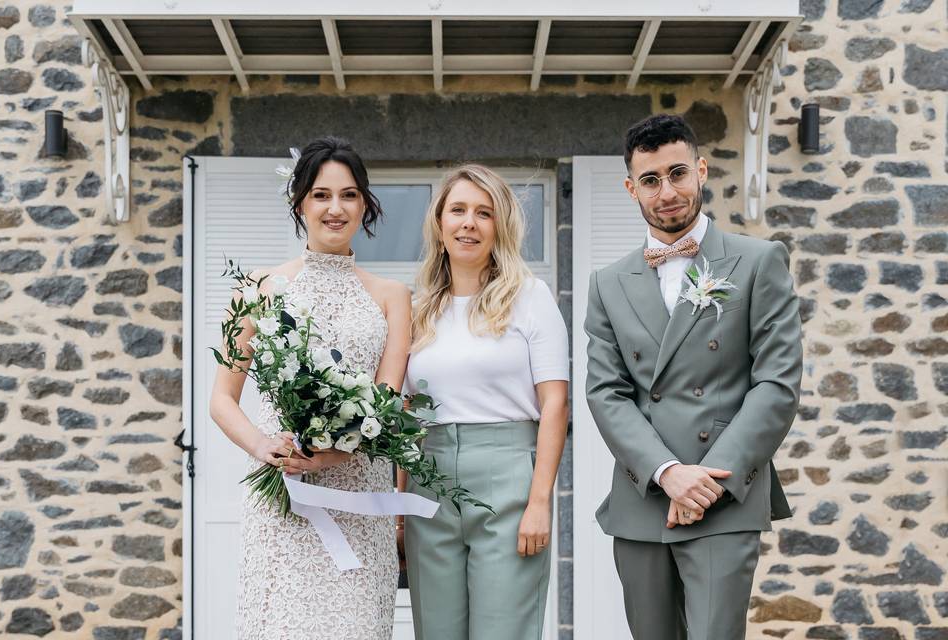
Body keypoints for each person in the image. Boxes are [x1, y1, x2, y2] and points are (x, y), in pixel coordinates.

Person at [584, 114, 803, 640]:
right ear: (631, 187)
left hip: (722, 496)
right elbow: (606, 393)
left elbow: (776, 383)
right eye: (651, 180)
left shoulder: (757, 261)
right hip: (645, 502)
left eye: (678, 173)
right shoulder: (607, 283)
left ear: (701, 171)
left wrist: (706, 480)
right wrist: (667, 473)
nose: (667, 192)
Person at [209, 137, 411, 639]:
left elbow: (385, 402)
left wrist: (333, 455)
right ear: (300, 202)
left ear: (364, 203)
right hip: (284, 505)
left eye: (348, 195)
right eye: (321, 195)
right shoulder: (257, 289)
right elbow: (221, 400)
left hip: (360, 498)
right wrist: (263, 445)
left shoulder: (394, 297)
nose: (335, 208)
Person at [402, 164, 569, 640]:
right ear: (439, 222)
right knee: (436, 631)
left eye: (483, 213)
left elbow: (555, 404)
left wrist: (540, 503)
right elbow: (407, 411)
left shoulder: (530, 297)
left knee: (503, 630)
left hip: (507, 478)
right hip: (428, 478)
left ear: (500, 226)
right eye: (458, 210)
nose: (468, 223)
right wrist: (399, 504)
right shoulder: (419, 310)